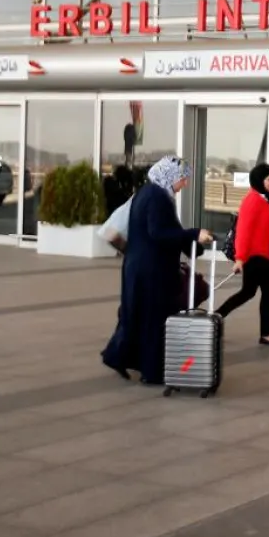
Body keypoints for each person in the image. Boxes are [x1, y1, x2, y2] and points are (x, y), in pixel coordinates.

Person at [102, 156, 213, 385]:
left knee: (138, 314)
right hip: (151, 270)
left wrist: (193, 244)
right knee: (154, 318)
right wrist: (194, 234)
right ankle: (151, 372)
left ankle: (118, 356)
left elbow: (167, 229)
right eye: (182, 178)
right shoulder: (157, 197)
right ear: (169, 176)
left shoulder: (148, 193)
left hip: (140, 267)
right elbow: (158, 232)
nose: (185, 183)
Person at [216, 162, 269, 345]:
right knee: (261, 291)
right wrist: (240, 258)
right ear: (259, 180)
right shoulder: (253, 200)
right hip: (255, 257)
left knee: (250, 292)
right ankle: (265, 333)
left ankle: (216, 318)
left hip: (264, 255)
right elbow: (243, 232)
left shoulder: (266, 198)